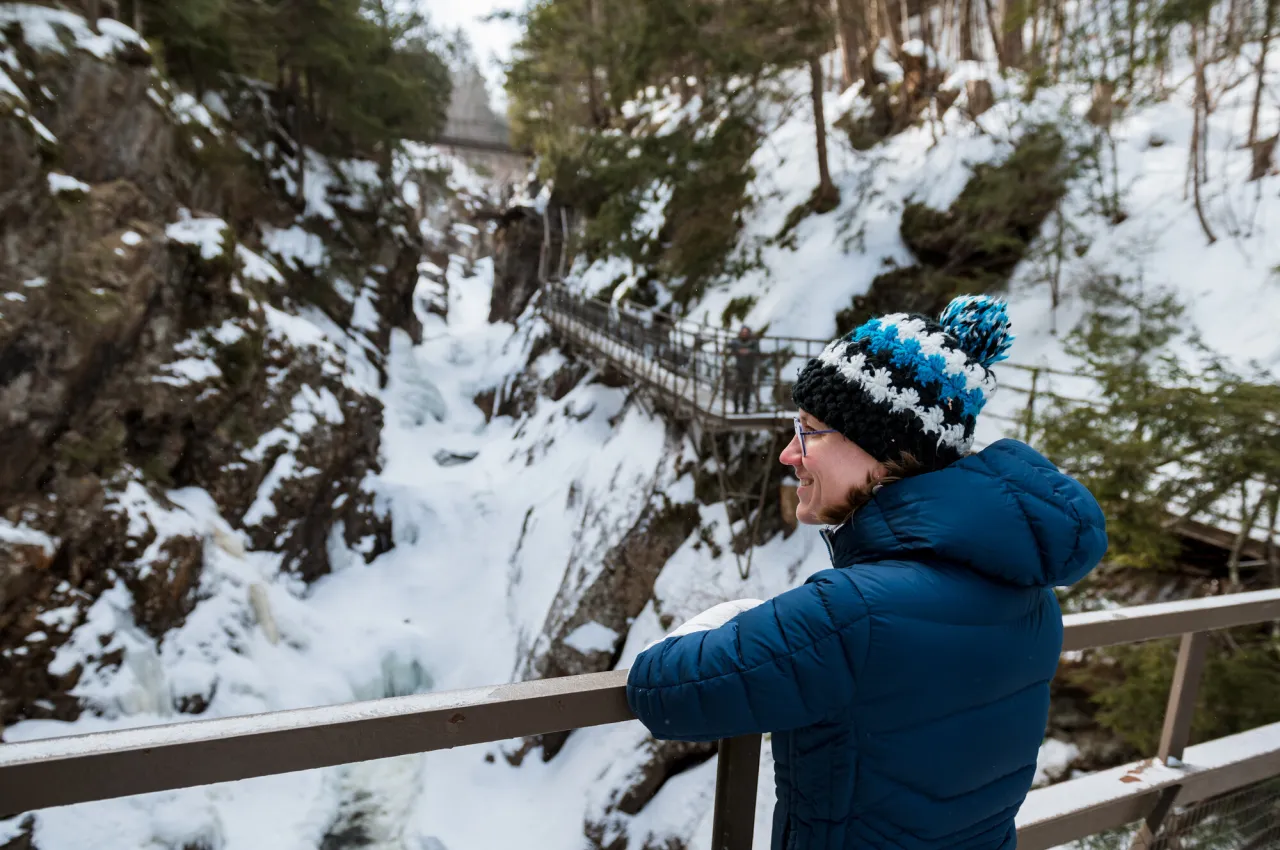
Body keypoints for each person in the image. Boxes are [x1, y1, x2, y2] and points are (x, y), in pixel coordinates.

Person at [626, 295, 1108, 850]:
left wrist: (736, 617)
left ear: (884, 450)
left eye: (811, 430)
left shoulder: (852, 613)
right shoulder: (1029, 593)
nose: (788, 453)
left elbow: (663, 689)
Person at [729, 325, 760, 414]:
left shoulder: (753, 342)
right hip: (739, 369)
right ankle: (735, 409)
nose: (744, 334)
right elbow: (730, 346)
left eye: (746, 332)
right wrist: (738, 350)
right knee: (737, 389)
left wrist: (748, 351)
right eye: (743, 332)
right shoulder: (736, 342)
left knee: (747, 390)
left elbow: (757, 351)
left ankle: (745, 409)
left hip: (749, 369)